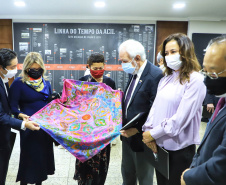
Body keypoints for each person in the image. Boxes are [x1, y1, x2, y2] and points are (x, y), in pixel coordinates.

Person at [142, 33, 206, 185]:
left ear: (185, 52)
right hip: (160, 147)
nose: (169, 56)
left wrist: (153, 133)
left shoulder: (195, 80)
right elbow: (155, 108)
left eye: (173, 52)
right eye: (166, 53)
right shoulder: (166, 79)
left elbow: (180, 120)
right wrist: (148, 131)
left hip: (179, 150)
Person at [181, 36, 226, 185]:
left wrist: (190, 177)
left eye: (213, 73)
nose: (207, 80)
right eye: (204, 71)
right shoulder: (223, 101)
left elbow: (221, 167)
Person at [119, 39, 163, 185]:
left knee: (144, 177)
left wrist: (136, 129)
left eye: (124, 60)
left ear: (137, 58)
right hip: (127, 137)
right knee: (127, 174)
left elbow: (155, 110)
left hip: (142, 138)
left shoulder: (155, 76)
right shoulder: (134, 71)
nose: (122, 65)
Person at [9, 52, 55, 185]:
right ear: (26, 68)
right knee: (29, 159)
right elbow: (12, 108)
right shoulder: (19, 83)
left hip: (44, 128)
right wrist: (20, 115)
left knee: (41, 160)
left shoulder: (45, 83)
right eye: (32, 69)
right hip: (29, 128)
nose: (35, 71)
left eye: (38, 69)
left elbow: (49, 103)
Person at [74, 53, 116, 185]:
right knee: (85, 167)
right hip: (86, 133)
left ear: (104, 66)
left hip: (103, 132)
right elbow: (76, 105)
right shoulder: (82, 81)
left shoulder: (110, 83)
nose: (98, 71)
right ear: (89, 67)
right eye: (95, 68)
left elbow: (113, 106)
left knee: (101, 169)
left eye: (100, 68)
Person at [0, 48, 40, 185]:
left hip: (5, 137)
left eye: (16, 65)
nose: (15, 69)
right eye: (12, 67)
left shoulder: (4, 80)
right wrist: (23, 124)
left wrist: (19, 115)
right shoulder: (15, 83)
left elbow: (6, 110)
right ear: (1, 67)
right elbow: (1, 115)